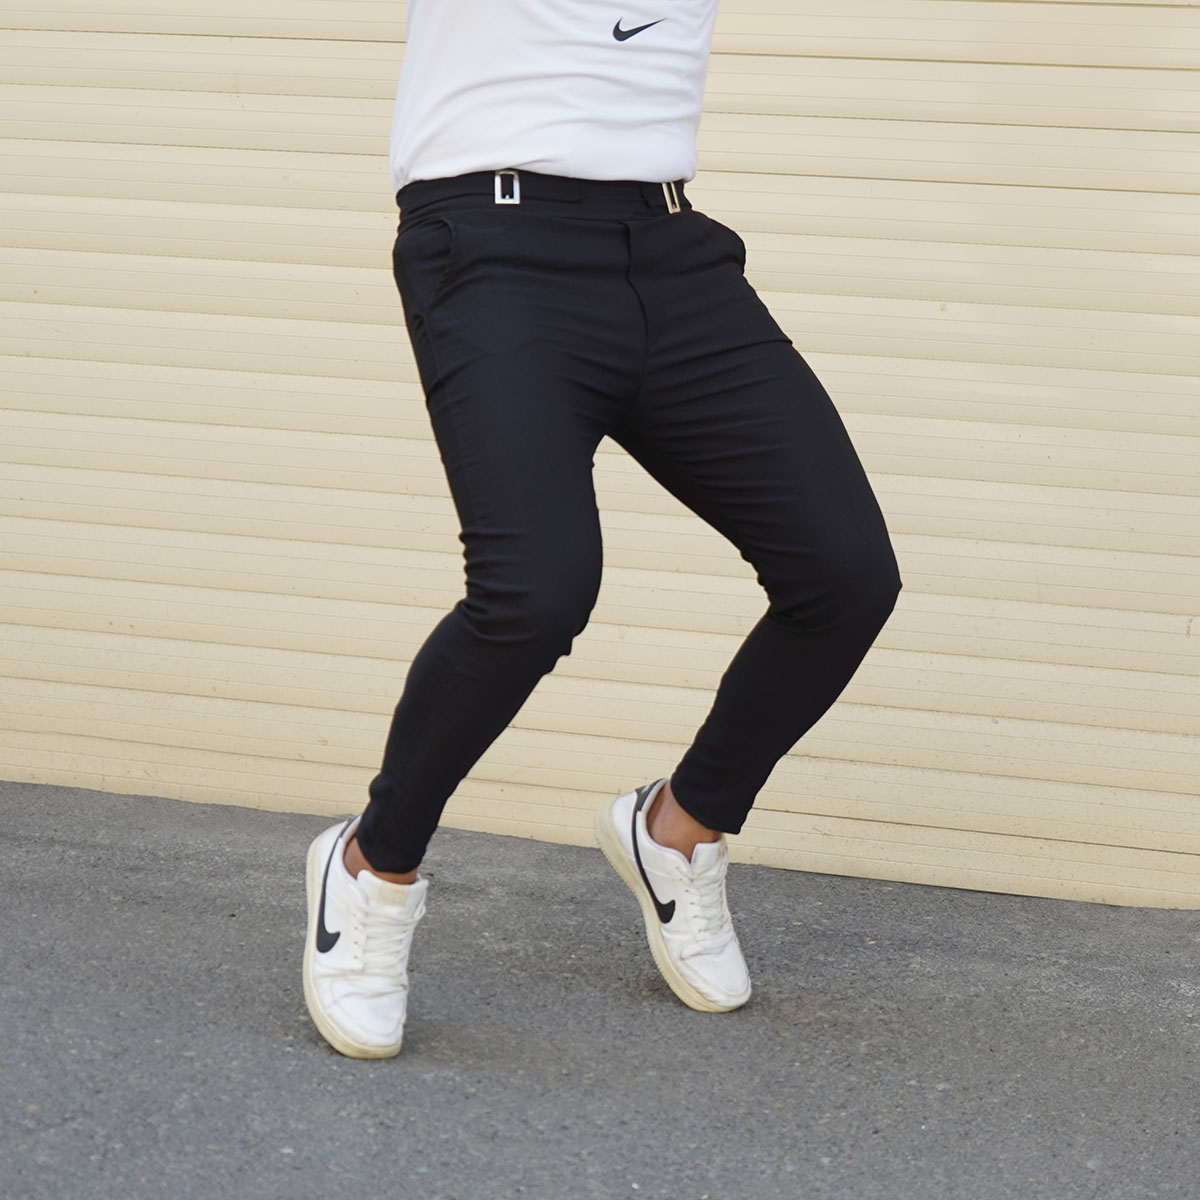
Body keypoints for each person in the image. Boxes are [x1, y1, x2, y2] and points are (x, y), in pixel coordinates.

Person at [302, 0, 901, 1059]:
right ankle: (371, 867)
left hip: (670, 250)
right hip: (490, 245)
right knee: (535, 592)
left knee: (846, 573)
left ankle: (678, 828)